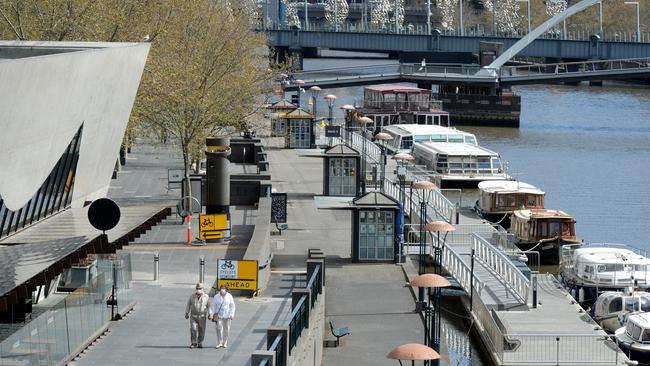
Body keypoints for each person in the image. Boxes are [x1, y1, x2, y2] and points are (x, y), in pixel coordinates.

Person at [209, 284, 236, 349]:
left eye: (224, 288)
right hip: (219, 316)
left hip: (227, 315)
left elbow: (232, 306)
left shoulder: (229, 296)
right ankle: (220, 342)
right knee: (219, 329)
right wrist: (211, 314)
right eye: (221, 288)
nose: (222, 290)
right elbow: (213, 306)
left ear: (226, 289)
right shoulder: (216, 296)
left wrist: (232, 314)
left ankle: (225, 342)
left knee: (227, 329)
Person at [185, 283, 209, 349]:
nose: (198, 290)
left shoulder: (206, 297)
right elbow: (188, 304)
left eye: (200, 288)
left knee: (202, 330)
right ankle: (193, 342)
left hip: (202, 316)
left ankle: (200, 342)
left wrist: (210, 314)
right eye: (197, 288)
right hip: (193, 316)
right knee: (193, 329)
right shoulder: (192, 296)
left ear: (202, 289)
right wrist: (187, 313)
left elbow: (209, 306)